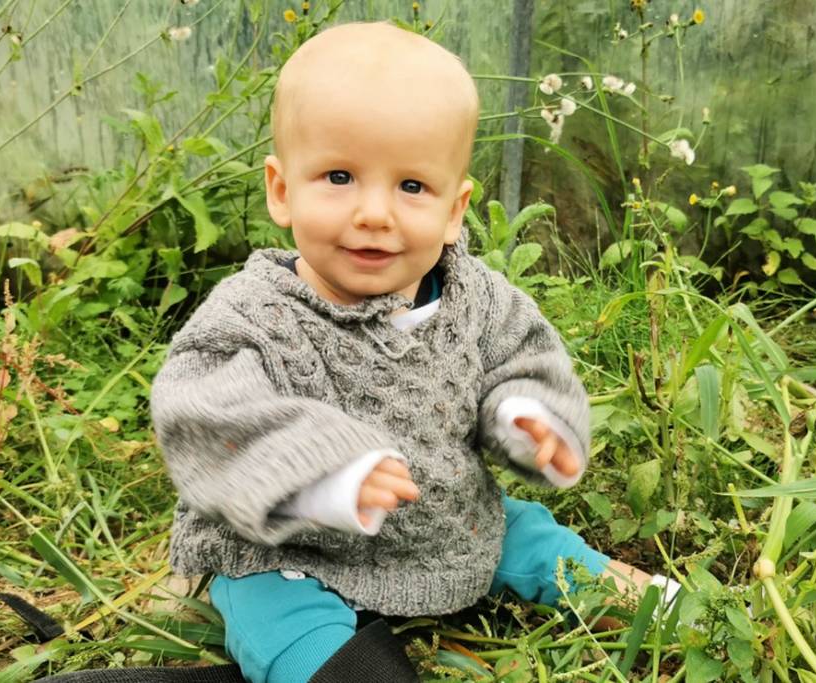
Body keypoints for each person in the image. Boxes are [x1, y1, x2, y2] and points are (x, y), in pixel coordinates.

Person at [151, 21, 679, 683]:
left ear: (455, 209)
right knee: (277, 614)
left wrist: (528, 416)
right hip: (289, 545)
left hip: (444, 520)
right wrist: (320, 474)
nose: (375, 212)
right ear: (282, 189)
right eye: (339, 176)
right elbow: (202, 411)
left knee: (533, 539)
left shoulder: (479, 300)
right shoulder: (254, 313)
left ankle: (663, 610)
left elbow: (525, 359)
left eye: (411, 187)